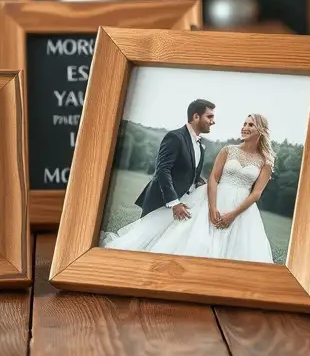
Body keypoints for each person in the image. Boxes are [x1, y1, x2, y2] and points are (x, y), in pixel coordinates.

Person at [100, 113, 275, 264]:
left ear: (260, 129)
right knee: (193, 238)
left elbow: (256, 193)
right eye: (244, 124)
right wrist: (212, 208)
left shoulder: (265, 161)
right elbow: (214, 178)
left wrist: (232, 215)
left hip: (242, 209)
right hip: (213, 197)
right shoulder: (228, 150)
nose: (244, 127)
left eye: (250, 124)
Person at [134, 99, 216, 219]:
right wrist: (174, 203)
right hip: (162, 203)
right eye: (209, 117)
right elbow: (163, 169)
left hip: (183, 203)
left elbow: (190, 174)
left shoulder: (200, 145)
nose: (213, 122)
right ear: (196, 116)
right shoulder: (175, 137)